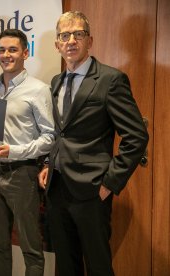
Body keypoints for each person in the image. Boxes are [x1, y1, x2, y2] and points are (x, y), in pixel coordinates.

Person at [38, 11, 149, 276]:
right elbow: (58, 133)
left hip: (92, 192)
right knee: (65, 266)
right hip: (57, 190)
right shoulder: (56, 82)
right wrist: (47, 163)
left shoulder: (111, 80)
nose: (71, 40)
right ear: (57, 45)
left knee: (98, 266)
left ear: (90, 40)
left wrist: (110, 183)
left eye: (79, 34)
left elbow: (136, 137)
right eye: (65, 35)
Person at [0, 29, 55, 276]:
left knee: (31, 247)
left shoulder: (39, 89)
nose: (6, 55)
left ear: (25, 53)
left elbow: (50, 137)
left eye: (12, 49)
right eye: (2, 50)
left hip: (22, 174)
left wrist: (13, 151)